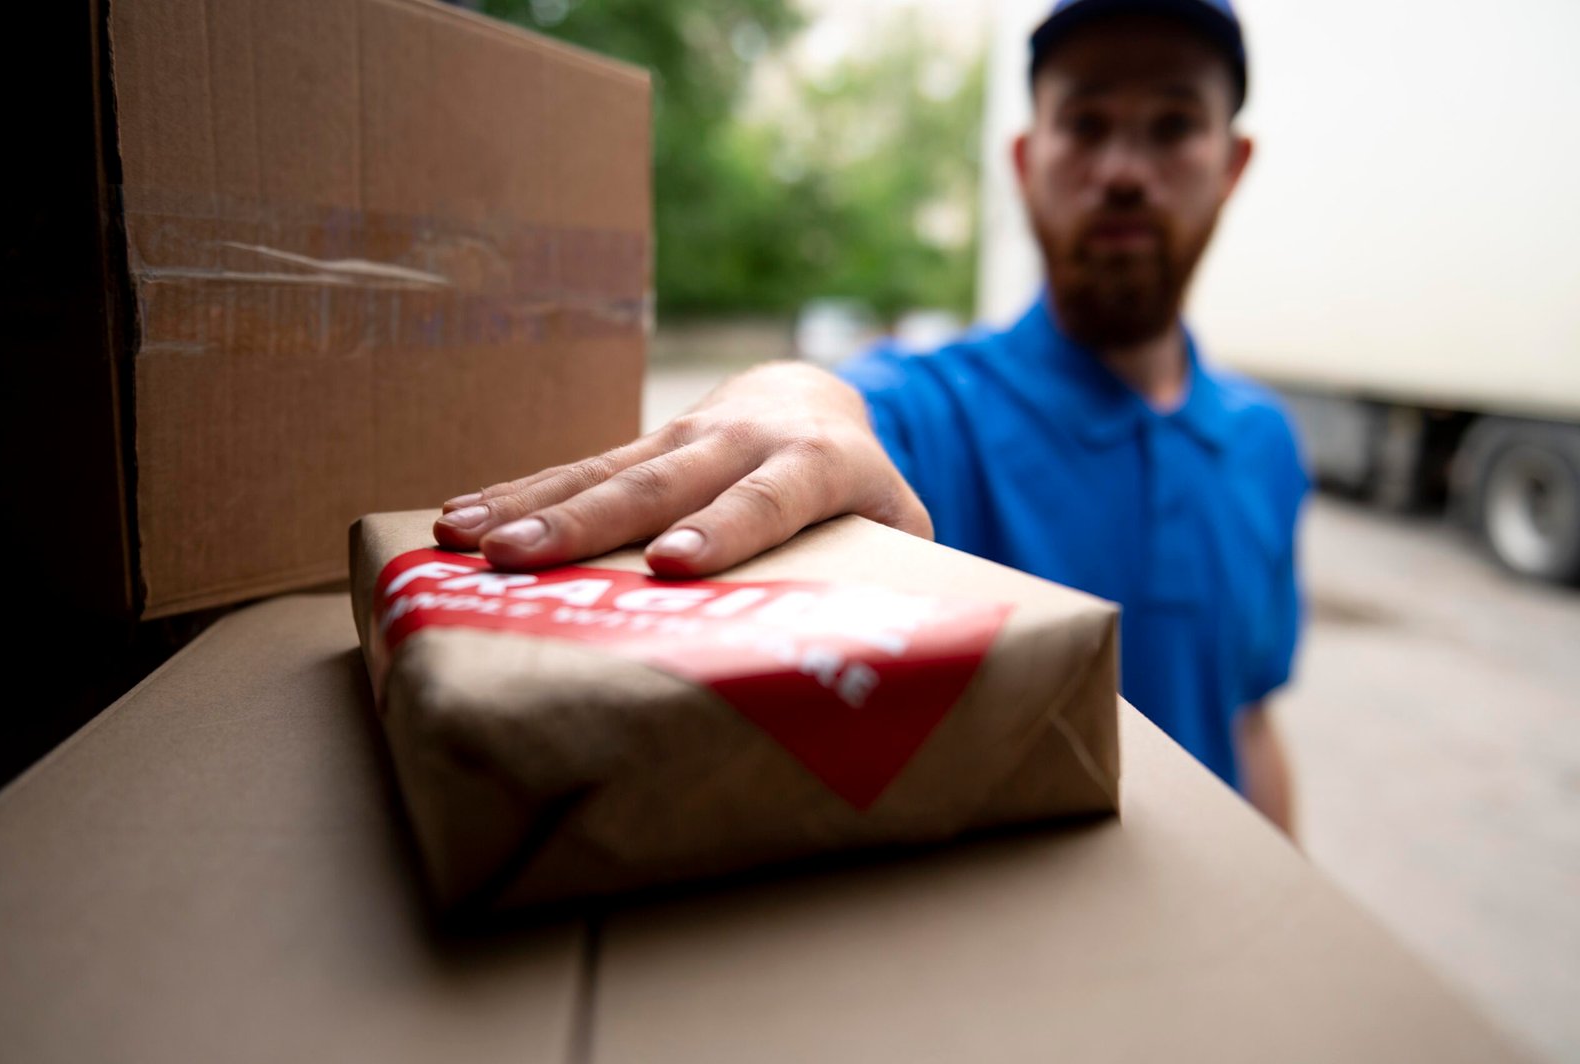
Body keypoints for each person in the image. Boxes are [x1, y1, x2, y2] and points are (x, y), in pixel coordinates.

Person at [432, 0, 1307, 834]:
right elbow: (829, 407)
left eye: (1174, 124)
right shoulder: (944, 409)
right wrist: (790, 404)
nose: (1121, 170)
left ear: (1231, 164)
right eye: (1084, 123)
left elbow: (1250, 720)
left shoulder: (1267, 445)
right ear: (1024, 158)